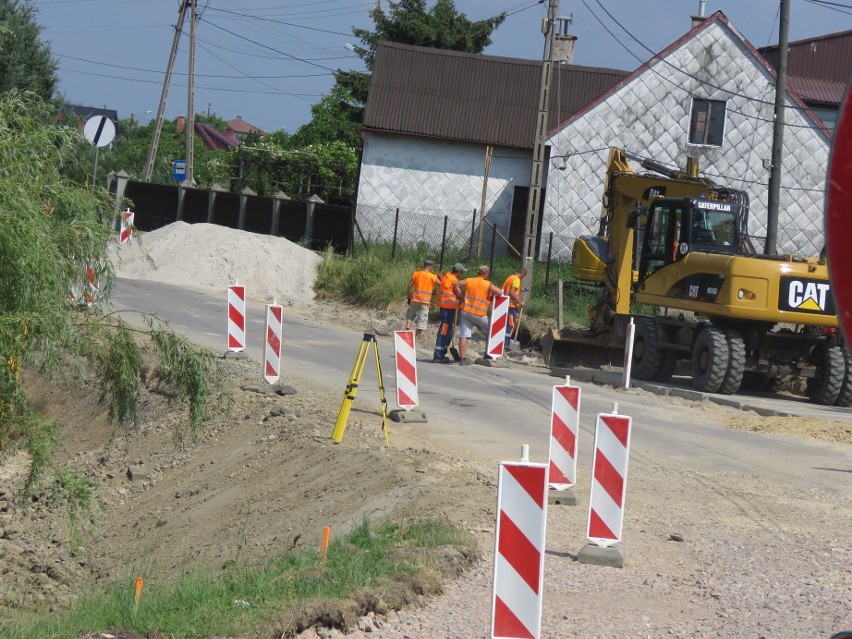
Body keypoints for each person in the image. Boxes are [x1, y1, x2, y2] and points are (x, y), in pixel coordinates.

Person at [453, 265, 523, 365]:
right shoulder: (487, 284)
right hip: (479, 314)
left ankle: (463, 359)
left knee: (464, 335)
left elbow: (456, 284)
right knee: (492, 330)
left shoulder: (469, 280)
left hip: (465, 311)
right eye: (488, 273)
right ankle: (488, 354)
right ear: (485, 273)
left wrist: (461, 295)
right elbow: (499, 292)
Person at [432, 263, 466, 362]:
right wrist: (463, 297)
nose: (461, 274)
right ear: (458, 272)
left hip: (445, 308)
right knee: (444, 331)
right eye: (461, 272)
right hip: (448, 308)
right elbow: (458, 293)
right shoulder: (454, 280)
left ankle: (442, 352)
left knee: (448, 331)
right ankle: (438, 355)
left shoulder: (446, 277)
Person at [405, 258, 440, 336]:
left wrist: (409, 297)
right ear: (430, 266)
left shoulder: (416, 274)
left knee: (410, 316)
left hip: (415, 299)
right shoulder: (433, 276)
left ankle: (406, 333)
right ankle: (417, 337)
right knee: (422, 320)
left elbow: (409, 286)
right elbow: (442, 285)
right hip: (425, 302)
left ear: (424, 265)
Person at [502, 266, 527, 350]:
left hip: (504, 304)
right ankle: (506, 344)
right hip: (511, 306)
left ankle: (501, 343)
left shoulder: (510, 277)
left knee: (504, 324)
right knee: (511, 325)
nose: (523, 278)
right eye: (524, 276)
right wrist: (520, 302)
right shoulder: (516, 280)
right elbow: (512, 292)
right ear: (523, 274)